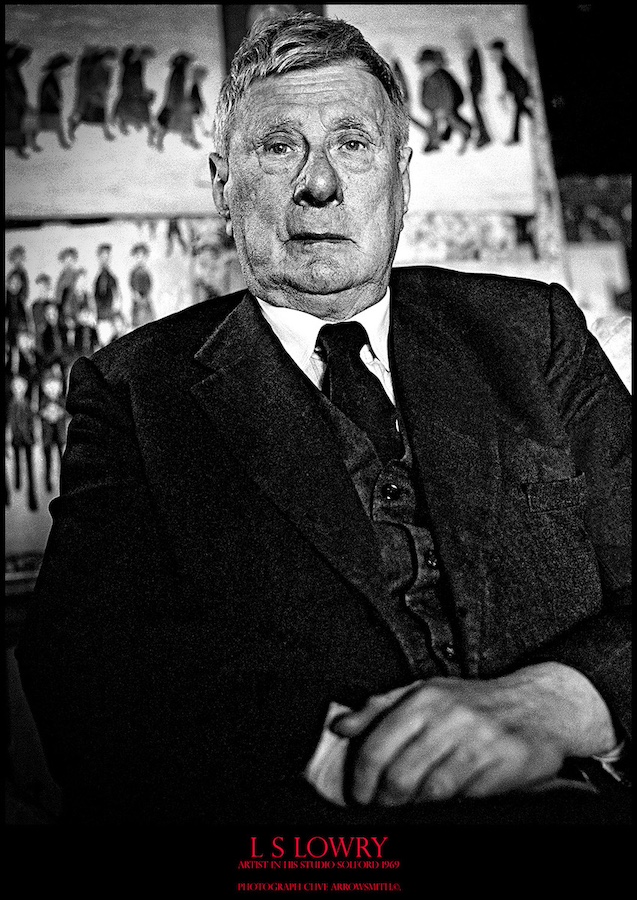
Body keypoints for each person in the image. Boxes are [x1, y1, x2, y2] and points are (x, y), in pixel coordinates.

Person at [17, 12, 631, 826]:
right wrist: (349, 763)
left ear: (401, 180)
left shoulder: (532, 333)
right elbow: (85, 673)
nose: (317, 184)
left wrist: (559, 701)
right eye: (278, 148)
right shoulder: (136, 389)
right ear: (221, 185)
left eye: (352, 143)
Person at [416, 47, 472, 153]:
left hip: (443, 108)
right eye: (421, 65)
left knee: (453, 121)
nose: (422, 68)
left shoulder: (439, 77)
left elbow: (447, 94)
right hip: (434, 109)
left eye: (425, 65)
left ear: (434, 64)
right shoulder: (427, 78)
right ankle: (434, 142)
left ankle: (467, 132)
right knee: (433, 127)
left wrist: (444, 108)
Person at [489, 38, 534, 145]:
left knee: (521, 110)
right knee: (521, 111)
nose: (492, 54)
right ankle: (516, 137)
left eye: (494, 51)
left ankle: (516, 137)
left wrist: (505, 93)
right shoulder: (503, 62)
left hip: (520, 89)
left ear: (500, 51)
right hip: (518, 89)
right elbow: (509, 80)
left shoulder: (504, 63)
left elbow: (511, 79)